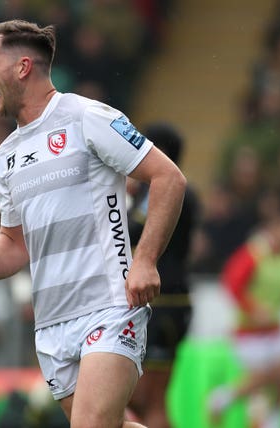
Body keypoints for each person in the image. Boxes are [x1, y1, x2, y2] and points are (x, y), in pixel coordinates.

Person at [0, 20, 187, 428]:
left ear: (23, 67)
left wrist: (145, 259)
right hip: (51, 324)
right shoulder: (5, 157)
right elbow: (14, 242)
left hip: (110, 305)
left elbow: (169, 178)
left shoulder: (87, 116)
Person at [125, 123, 200, 428]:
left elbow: (134, 230)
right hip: (172, 300)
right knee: (148, 399)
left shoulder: (158, 190)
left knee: (146, 398)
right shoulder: (185, 190)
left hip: (162, 302)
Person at [208, 213, 280, 428]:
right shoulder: (253, 253)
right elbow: (231, 283)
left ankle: (275, 419)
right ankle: (224, 398)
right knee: (259, 381)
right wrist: (252, 308)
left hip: (274, 328)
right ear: (271, 230)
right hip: (250, 331)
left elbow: (278, 286)